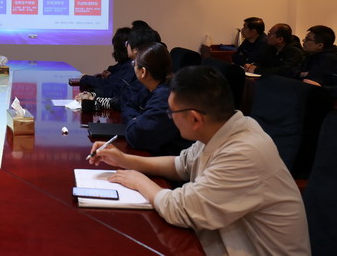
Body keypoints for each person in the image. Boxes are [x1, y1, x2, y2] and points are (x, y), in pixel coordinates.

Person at [88, 66, 309, 256]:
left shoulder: (244, 153)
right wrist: (125, 159)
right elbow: (181, 165)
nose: (169, 117)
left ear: (194, 118)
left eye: (171, 112)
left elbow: (179, 209)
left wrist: (138, 181)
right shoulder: (222, 128)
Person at [120, 42, 192, 155]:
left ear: (143, 72)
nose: (133, 66)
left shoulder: (165, 97)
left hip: (173, 159)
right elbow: (128, 106)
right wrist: (137, 120)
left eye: (134, 64)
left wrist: (136, 121)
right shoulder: (150, 88)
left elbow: (137, 137)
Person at [77, 27, 134, 107]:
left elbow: (113, 90)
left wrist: (92, 95)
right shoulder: (127, 63)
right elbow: (113, 74)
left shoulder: (132, 66)